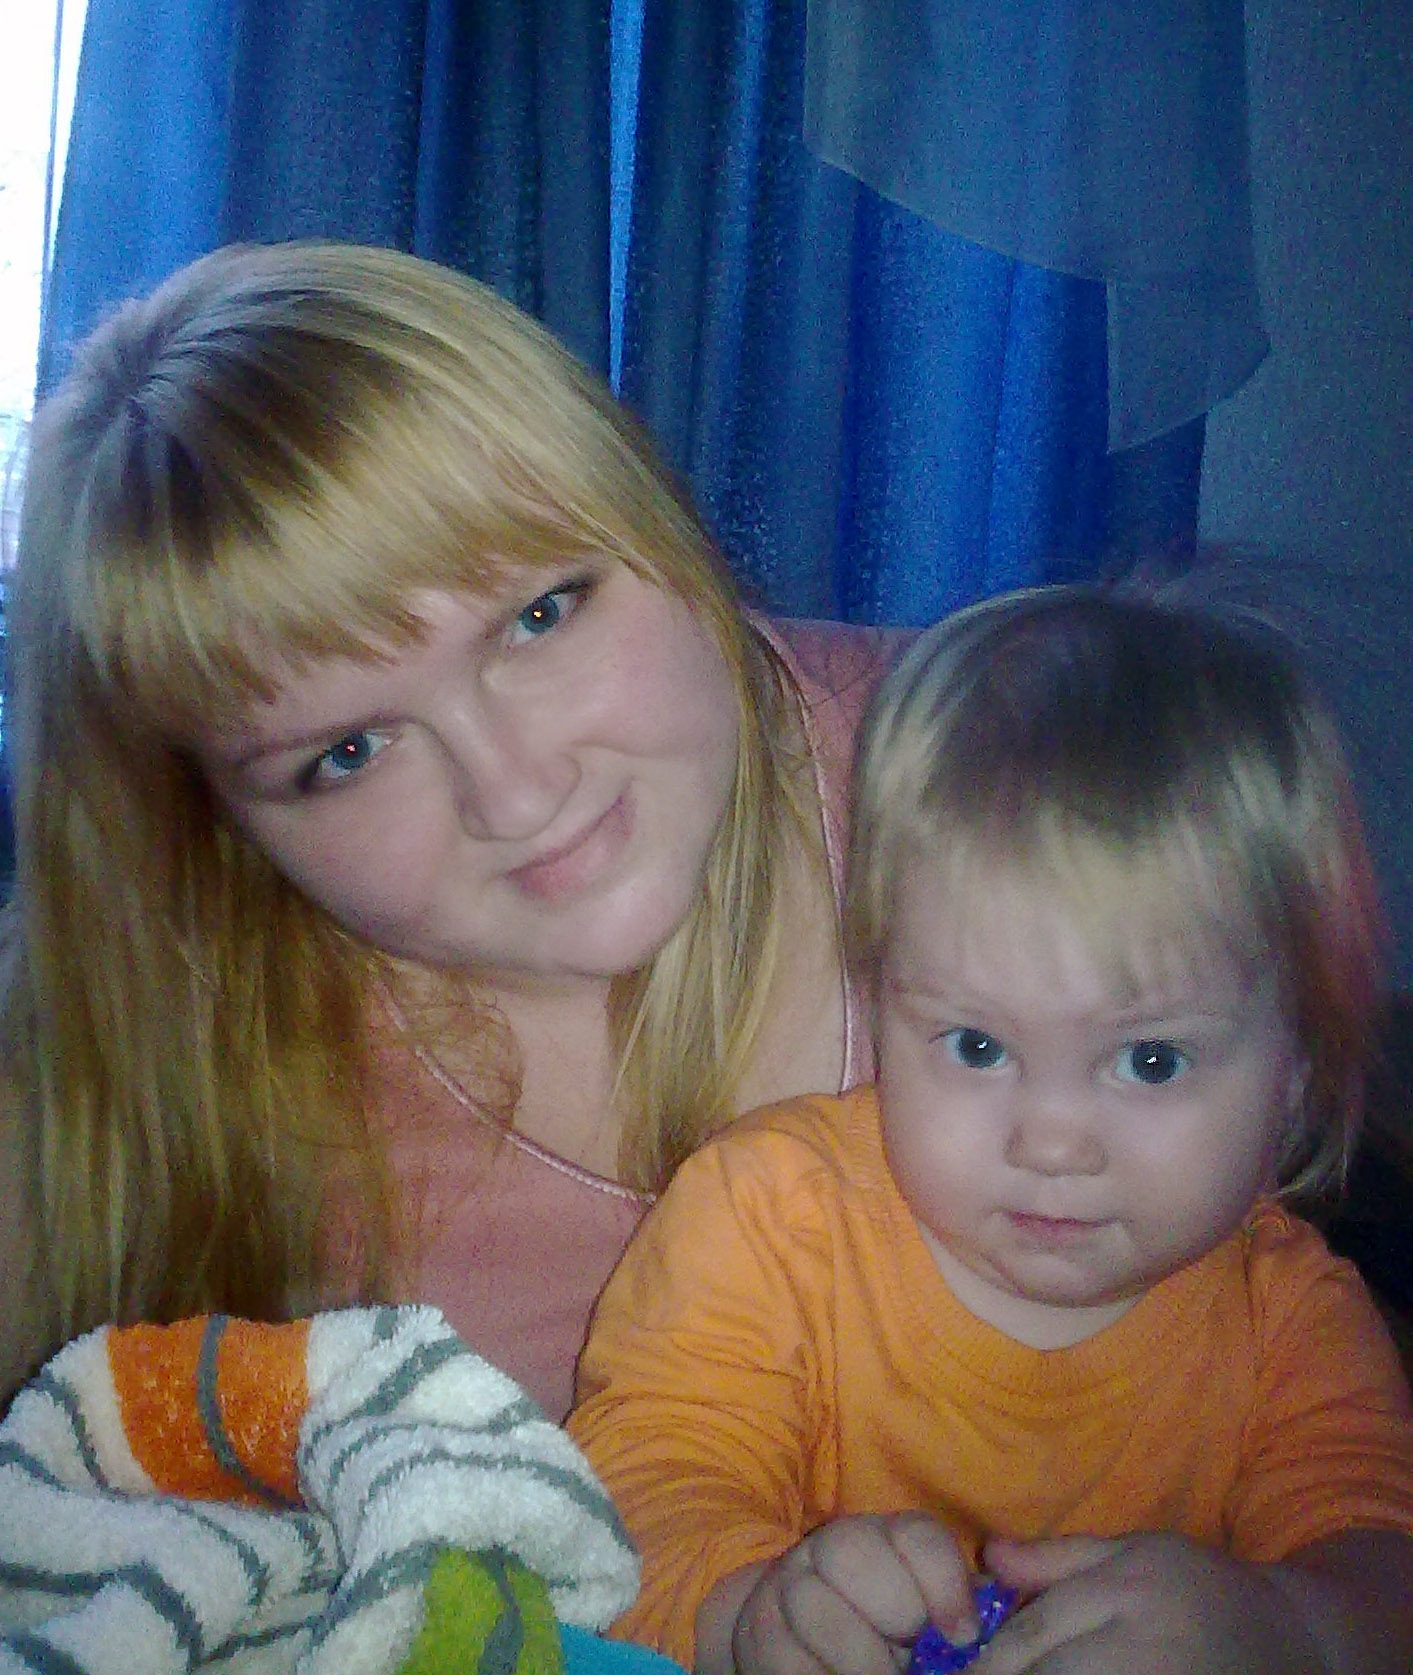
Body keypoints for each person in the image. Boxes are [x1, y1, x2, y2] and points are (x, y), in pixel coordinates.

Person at [0, 240, 899, 1421]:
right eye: (348, 753)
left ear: (647, 500)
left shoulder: (1050, 768)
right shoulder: (122, 1086)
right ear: (214, 821)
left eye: (540, 614)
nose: (517, 795)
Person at [569, 586, 1413, 1673]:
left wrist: (1288, 1626)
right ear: (881, 1001)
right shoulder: (766, 1217)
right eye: (977, 1045)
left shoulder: (1294, 1323)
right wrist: (750, 1611)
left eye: (1150, 1061)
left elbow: (1380, 1566)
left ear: (1297, 1074)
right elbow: (637, 1484)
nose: (1050, 1143)